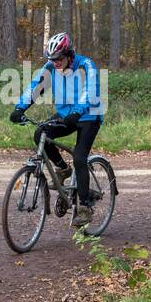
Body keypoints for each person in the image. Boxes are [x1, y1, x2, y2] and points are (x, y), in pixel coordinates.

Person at [10, 32, 103, 226]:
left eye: (59, 58)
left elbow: (91, 90)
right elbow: (35, 87)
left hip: (88, 115)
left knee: (79, 157)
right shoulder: (50, 68)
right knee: (40, 135)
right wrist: (20, 108)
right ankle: (62, 168)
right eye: (52, 59)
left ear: (69, 54)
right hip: (65, 114)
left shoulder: (86, 65)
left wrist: (77, 112)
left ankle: (84, 207)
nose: (55, 62)